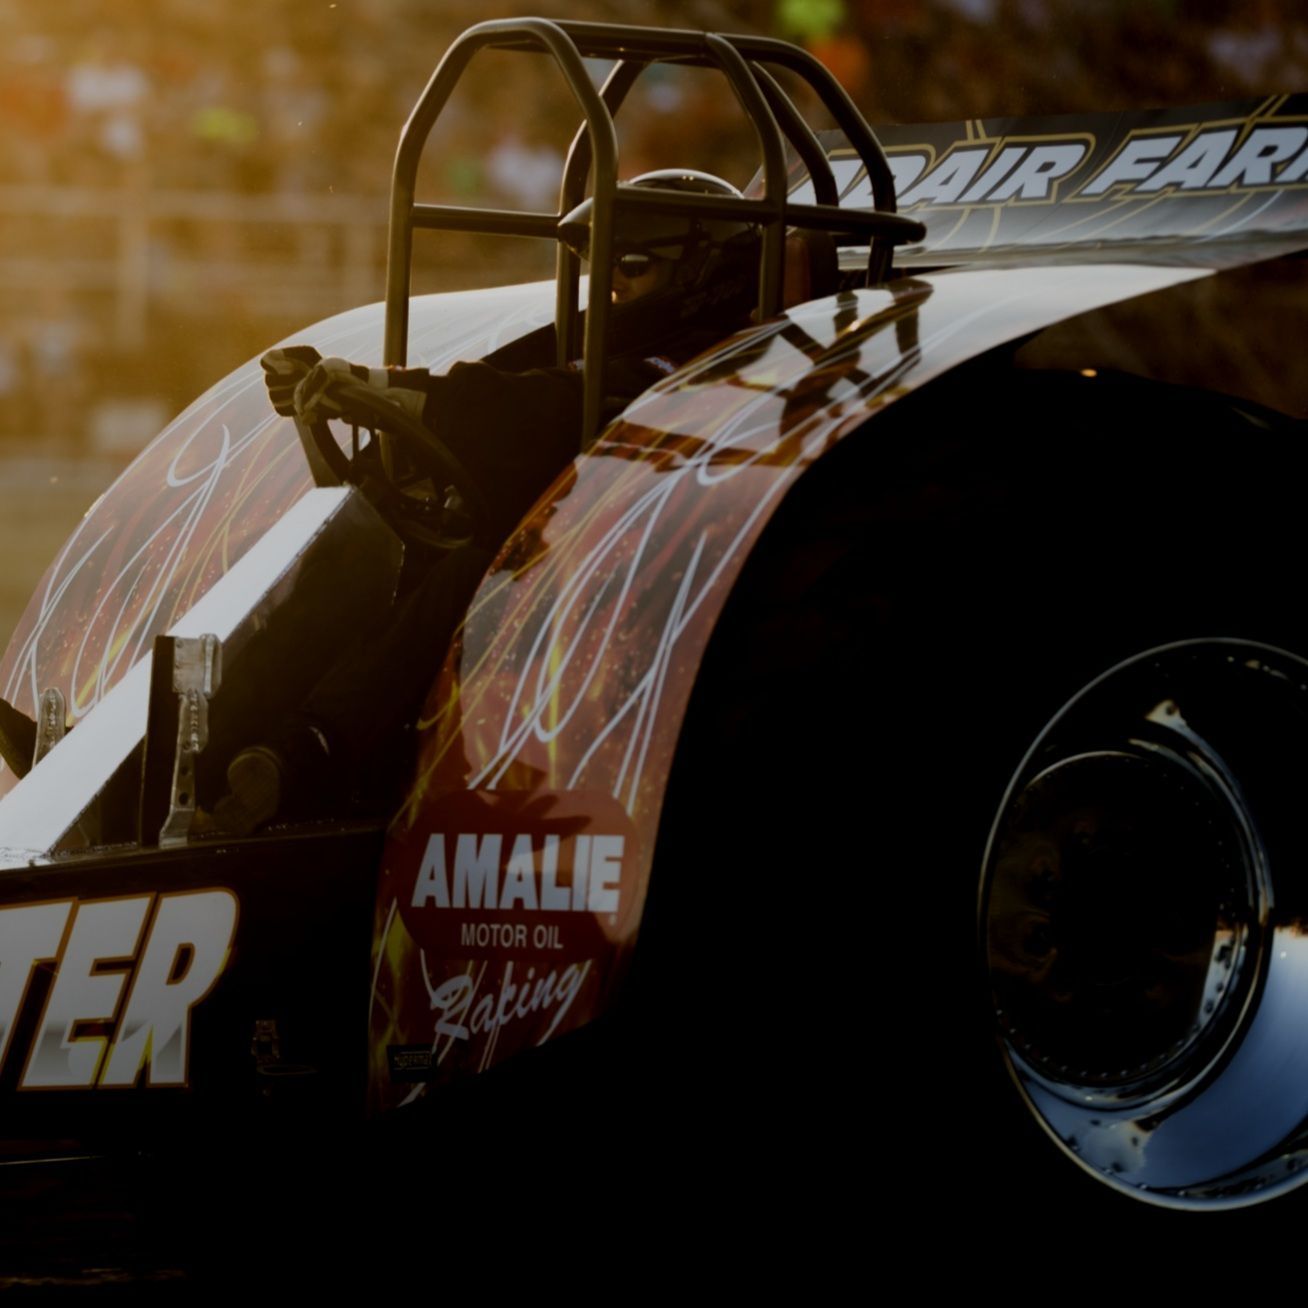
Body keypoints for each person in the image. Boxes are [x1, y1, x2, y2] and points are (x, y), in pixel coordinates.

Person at [213, 170, 760, 834]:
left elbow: (546, 404)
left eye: (632, 263)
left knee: (468, 575)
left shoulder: (711, 361)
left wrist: (395, 394)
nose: (612, 283)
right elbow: (532, 390)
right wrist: (372, 395)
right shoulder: (620, 345)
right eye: (602, 264)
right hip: (577, 558)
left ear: (706, 270)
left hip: (647, 591)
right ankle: (211, 761)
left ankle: (311, 755)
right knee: (357, 561)